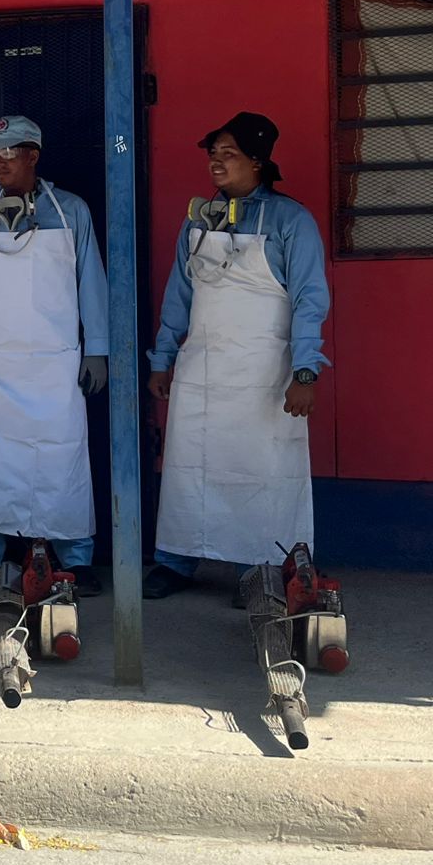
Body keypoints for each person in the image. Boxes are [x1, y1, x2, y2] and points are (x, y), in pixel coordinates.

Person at [143, 112, 331, 604]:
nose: (216, 162)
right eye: (213, 153)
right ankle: (175, 560)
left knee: (261, 470)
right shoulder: (199, 219)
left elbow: (310, 299)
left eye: (229, 153)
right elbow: (179, 296)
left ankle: (262, 569)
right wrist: (162, 357)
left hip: (265, 372)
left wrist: (305, 371)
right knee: (190, 469)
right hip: (203, 367)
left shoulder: (292, 221)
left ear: (258, 161)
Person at [0, 116, 110, 594]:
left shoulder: (71, 210)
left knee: (61, 460)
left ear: (33, 156)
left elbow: (91, 283)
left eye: (8, 153)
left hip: (55, 364)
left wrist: (97, 348)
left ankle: (75, 556)